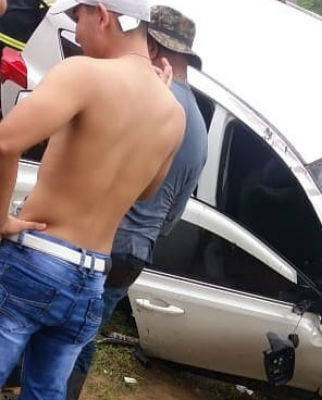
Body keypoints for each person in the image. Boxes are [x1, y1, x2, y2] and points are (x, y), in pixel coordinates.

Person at [0, 0, 185, 398]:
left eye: (77, 18)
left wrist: (1, 218)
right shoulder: (173, 112)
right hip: (91, 282)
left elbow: (5, 142)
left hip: (35, 263)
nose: (76, 33)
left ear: (102, 15)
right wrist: (153, 102)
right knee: (46, 392)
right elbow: (148, 190)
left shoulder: (83, 73)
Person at [65, 5, 207, 399]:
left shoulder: (144, 98)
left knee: (53, 328)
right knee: (83, 333)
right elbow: (173, 215)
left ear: (154, 43)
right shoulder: (196, 122)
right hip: (135, 253)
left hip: (100, 238)